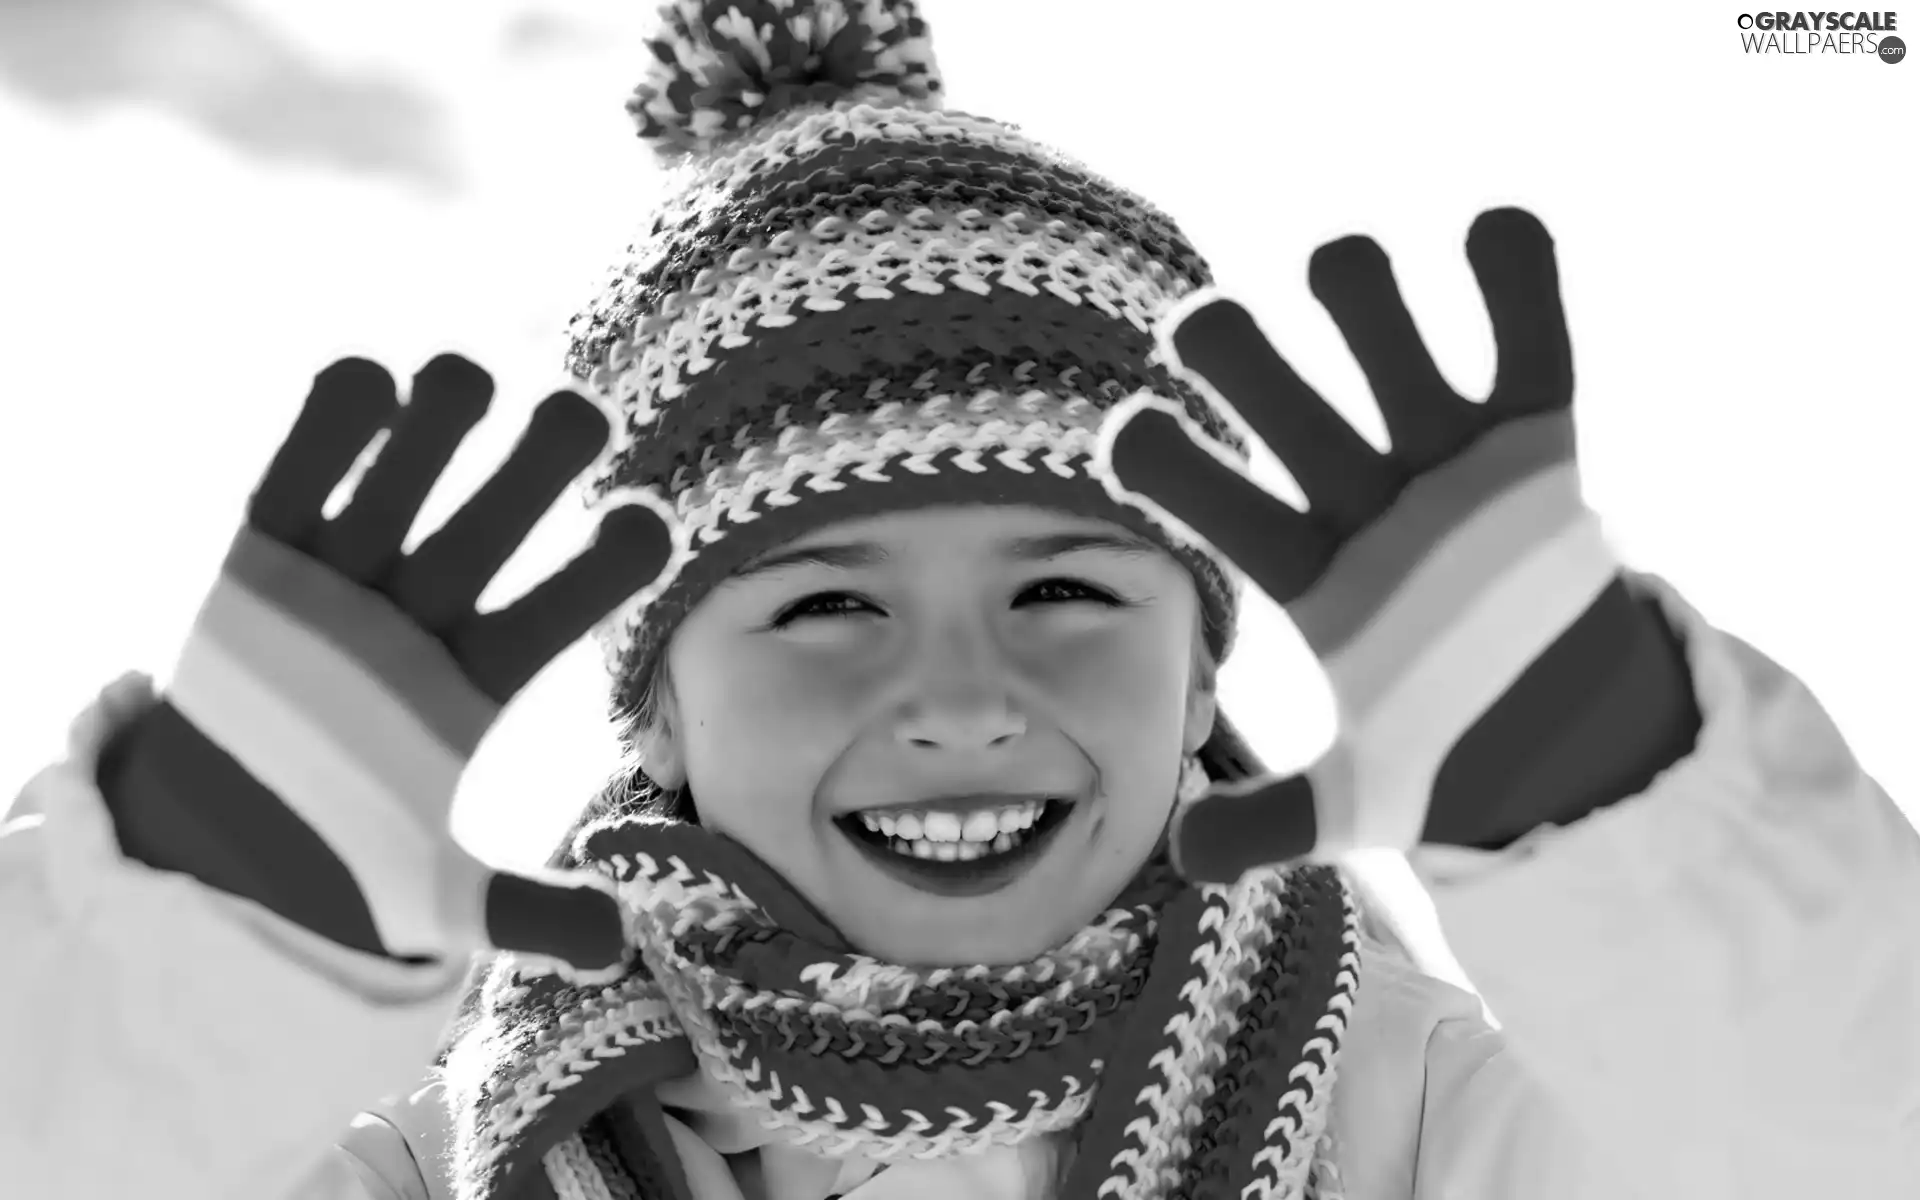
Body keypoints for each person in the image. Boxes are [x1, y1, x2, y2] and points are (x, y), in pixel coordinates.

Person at [4, 2, 1916, 1197]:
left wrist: (1628, 819)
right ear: (652, 703)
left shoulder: (1407, 1111)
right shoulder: (452, 1149)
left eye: (1071, 586)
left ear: (1200, 665)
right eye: (825, 605)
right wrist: (162, 978)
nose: (960, 697)